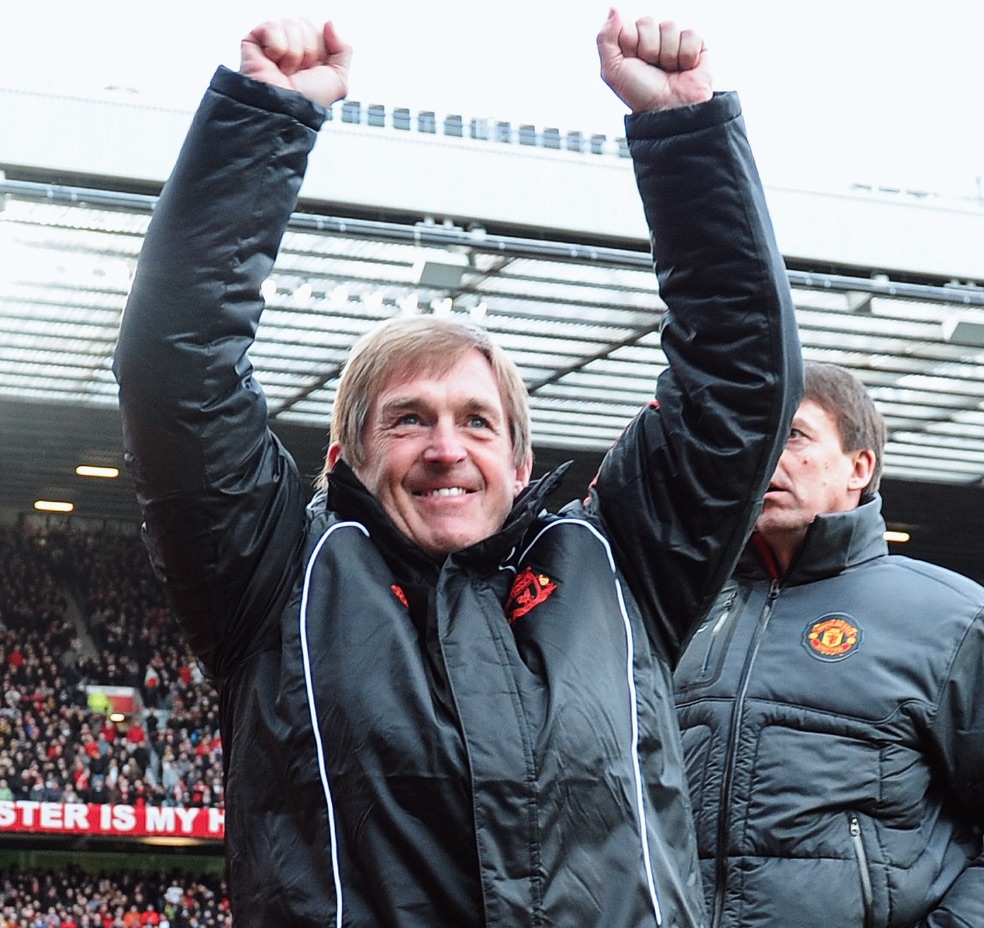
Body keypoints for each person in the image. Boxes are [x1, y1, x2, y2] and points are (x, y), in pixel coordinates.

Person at [113, 10, 802, 927]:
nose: (447, 447)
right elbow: (176, 366)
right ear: (344, 456)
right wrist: (263, 121)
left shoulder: (618, 568)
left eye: (477, 421)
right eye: (408, 419)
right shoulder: (276, 581)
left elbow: (739, 377)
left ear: (521, 461)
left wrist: (683, 133)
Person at [674, 362, 984, 928]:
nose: (766, 453)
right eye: (752, 434)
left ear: (858, 468)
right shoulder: (681, 609)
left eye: (792, 434)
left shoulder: (955, 619)